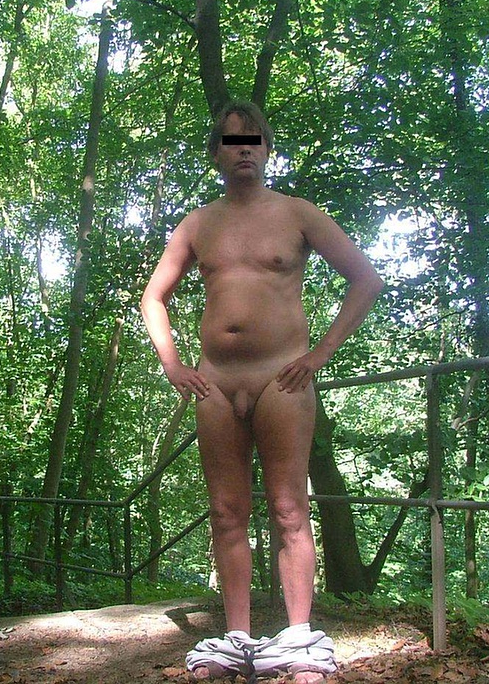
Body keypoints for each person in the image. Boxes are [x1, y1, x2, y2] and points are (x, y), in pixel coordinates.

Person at [141, 100, 383, 682]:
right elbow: (154, 297)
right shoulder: (197, 224)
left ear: (268, 149)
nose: (243, 149)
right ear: (216, 154)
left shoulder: (299, 214)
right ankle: (236, 640)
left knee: (289, 508)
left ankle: (299, 641)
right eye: (231, 141)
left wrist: (320, 354)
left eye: (252, 140)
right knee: (227, 512)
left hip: (282, 379)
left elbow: (365, 279)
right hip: (215, 383)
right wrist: (173, 365)